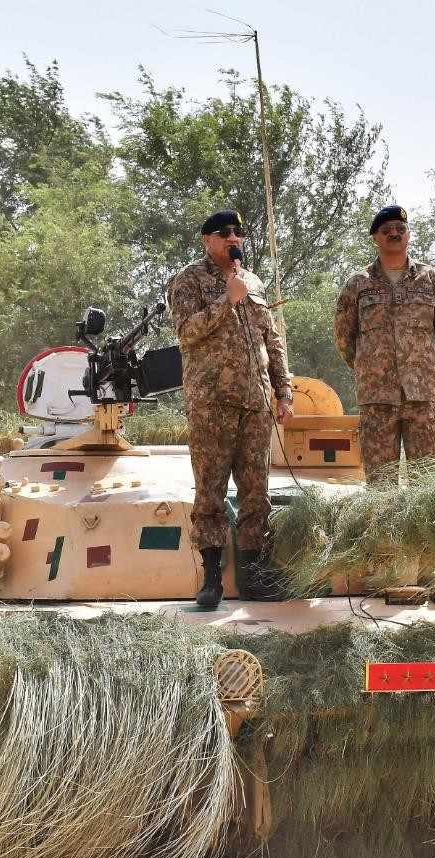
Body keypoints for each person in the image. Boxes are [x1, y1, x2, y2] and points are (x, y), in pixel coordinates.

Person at [168, 210, 294, 608]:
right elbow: (186, 333)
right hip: (212, 404)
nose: (233, 238)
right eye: (225, 233)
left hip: (255, 403)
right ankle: (211, 579)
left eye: (238, 233)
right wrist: (227, 299)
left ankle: (254, 576)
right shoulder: (189, 279)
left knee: (257, 493)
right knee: (210, 493)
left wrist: (283, 391)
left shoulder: (254, 282)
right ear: (207, 240)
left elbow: (271, 341)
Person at [334, 205, 435, 484]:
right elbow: (344, 338)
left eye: (400, 229)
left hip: (423, 396)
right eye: (386, 230)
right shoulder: (357, 284)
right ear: (375, 237)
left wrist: (424, 365)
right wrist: (371, 369)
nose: (394, 233)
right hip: (377, 397)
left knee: (427, 486)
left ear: (408, 234)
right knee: (380, 485)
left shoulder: (431, 281)